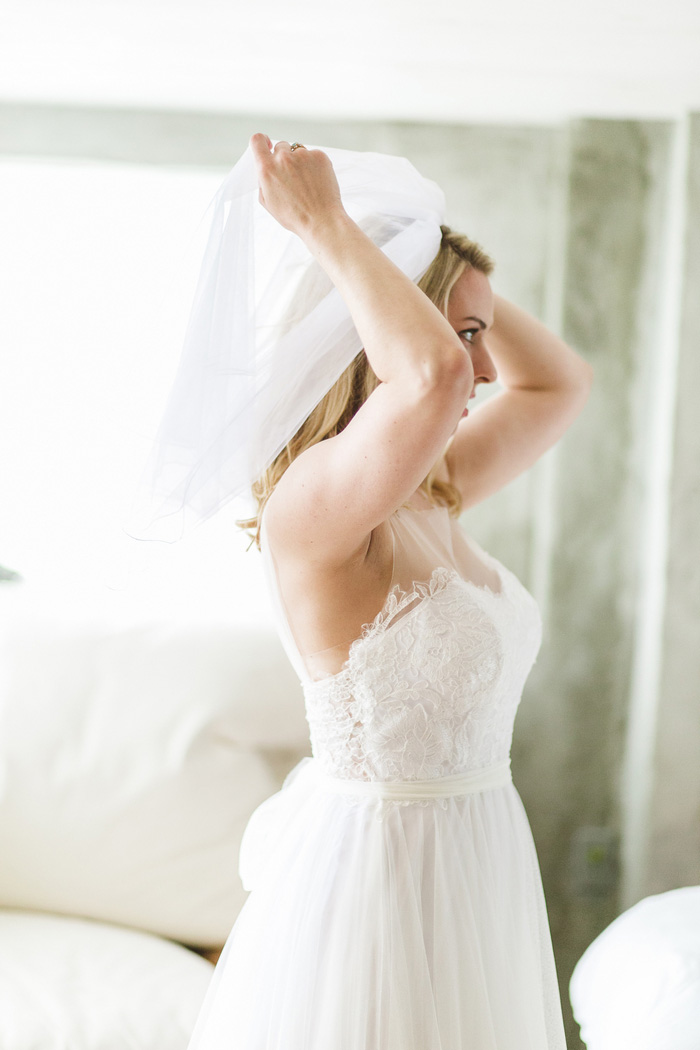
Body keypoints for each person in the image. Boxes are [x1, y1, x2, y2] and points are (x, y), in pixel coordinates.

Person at [166, 134, 594, 1049]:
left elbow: (558, 383)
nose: (481, 368)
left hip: (477, 855)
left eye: (477, 340)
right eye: (464, 337)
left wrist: (446, 274)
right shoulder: (313, 506)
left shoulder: (430, 489)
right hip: (379, 877)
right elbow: (437, 376)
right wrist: (333, 230)